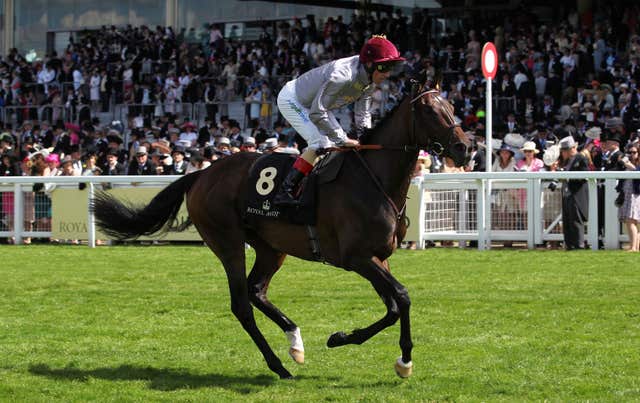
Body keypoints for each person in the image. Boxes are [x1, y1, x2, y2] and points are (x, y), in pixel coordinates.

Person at [273, 35, 405, 205]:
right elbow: (317, 112)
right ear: (370, 64)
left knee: (334, 144)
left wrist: (366, 137)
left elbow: (362, 114)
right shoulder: (342, 76)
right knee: (321, 143)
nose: (387, 74)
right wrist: (343, 139)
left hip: (317, 106)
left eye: (390, 68)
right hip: (294, 100)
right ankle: (285, 191)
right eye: (384, 67)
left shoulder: (370, 82)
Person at [554, 136, 590, 250]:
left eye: (564, 151)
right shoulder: (567, 161)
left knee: (576, 221)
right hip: (567, 193)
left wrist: (568, 177)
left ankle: (579, 245)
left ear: (571, 149)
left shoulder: (581, 158)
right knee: (567, 220)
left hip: (576, 193)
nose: (562, 153)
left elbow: (584, 175)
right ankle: (569, 245)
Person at [617, 144, 640, 251]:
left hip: (635, 195)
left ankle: (633, 247)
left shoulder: (636, 165)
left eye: (634, 152)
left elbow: (637, 173)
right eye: (629, 152)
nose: (631, 154)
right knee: (629, 221)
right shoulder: (625, 164)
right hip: (626, 194)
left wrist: (630, 166)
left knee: (631, 220)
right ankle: (634, 246)